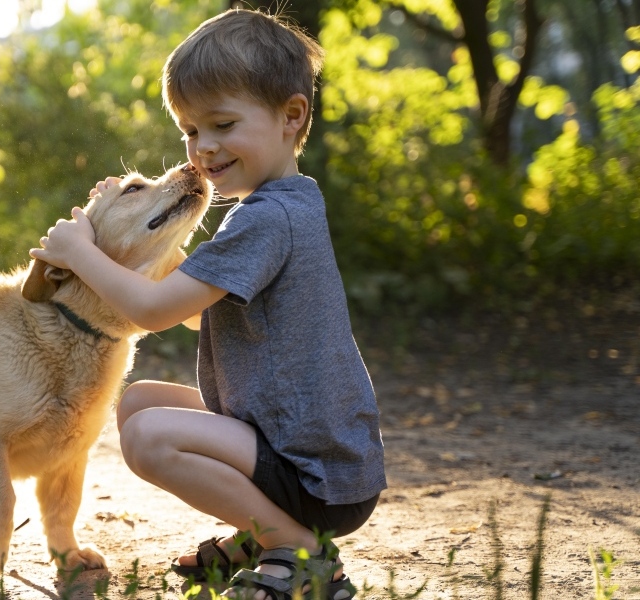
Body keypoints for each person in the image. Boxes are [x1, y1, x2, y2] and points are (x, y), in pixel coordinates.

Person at [30, 8, 385, 600]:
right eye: (191, 131)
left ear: (291, 115)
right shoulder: (283, 205)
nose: (203, 148)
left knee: (149, 439)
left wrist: (81, 252)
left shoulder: (268, 219)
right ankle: (260, 533)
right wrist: (125, 228)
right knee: (138, 400)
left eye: (221, 124)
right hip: (305, 445)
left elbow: (154, 312)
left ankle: (297, 552)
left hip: (316, 472)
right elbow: (202, 310)